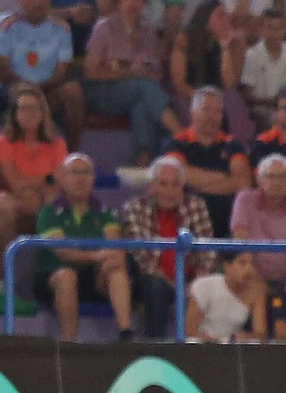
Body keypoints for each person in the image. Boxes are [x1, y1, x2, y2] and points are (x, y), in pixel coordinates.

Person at [37, 152, 135, 340]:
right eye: (74, 173)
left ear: (93, 178)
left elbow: (113, 246)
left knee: (116, 267)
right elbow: (63, 252)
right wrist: (97, 256)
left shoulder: (105, 212)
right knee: (67, 276)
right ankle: (69, 344)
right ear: (62, 178)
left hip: (94, 275)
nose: (80, 178)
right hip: (53, 276)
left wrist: (106, 258)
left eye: (86, 173)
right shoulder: (49, 212)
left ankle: (125, 332)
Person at [120, 155, 216, 338]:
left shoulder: (196, 205)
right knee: (157, 287)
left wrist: (197, 281)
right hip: (152, 276)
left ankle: (195, 352)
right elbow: (142, 256)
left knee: (203, 289)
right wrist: (173, 284)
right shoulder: (135, 207)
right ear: (151, 186)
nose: (170, 191)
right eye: (163, 184)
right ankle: (157, 347)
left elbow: (208, 249)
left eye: (175, 185)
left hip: (190, 277)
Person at [84, 0, 183, 165]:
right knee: (142, 87)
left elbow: (156, 72)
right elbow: (91, 72)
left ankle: (143, 159)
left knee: (142, 103)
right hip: (104, 92)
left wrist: (149, 73)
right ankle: (181, 137)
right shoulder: (104, 27)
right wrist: (129, 72)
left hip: (139, 92)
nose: (133, 4)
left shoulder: (148, 31)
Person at [163, 88, 250, 240]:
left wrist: (199, 187)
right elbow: (178, 175)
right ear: (192, 113)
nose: (212, 116)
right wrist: (224, 177)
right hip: (186, 219)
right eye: (206, 110)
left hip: (227, 218)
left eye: (217, 111)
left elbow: (243, 183)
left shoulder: (233, 146)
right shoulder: (176, 143)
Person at [0, 0, 85, 149]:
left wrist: (38, 88)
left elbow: (61, 71)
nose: (37, 3)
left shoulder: (62, 28)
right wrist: (29, 88)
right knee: (21, 92)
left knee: (73, 90)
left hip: (47, 90)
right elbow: (4, 69)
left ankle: (71, 154)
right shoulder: (6, 24)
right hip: (13, 89)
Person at [231, 152, 286, 287]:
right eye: (270, 176)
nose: (276, 182)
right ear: (259, 180)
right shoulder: (245, 200)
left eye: (283, 177)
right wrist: (259, 283)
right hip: (250, 277)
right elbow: (241, 245)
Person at [0, 85, 69, 250]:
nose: (29, 113)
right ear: (15, 114)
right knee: (3, 204)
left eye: (34, 108)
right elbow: (15, 184)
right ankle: (5, 269)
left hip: (45, 196)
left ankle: (51, 266)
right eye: (23, 108)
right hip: (13, 198)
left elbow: (59, 181)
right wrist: (45, 178)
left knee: (54, 200)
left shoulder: (57, 144)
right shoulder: (5, 142)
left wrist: (37, 186)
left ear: (43, 113)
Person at [241, 8, 286, 130]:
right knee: (275, 119)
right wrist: (271, 102)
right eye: (269, 28)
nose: (274, 33)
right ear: (261, 29)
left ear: (285, 30)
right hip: (262, 109)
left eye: (279, 28)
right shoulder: (252, 54)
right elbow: (247, 94)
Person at [186, 249, 266, 341]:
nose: (249, 269)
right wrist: (212, 340)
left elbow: (261, 335)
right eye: (242, 263)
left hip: (233, 348)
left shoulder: (256, 291)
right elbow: (190, 333)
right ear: (227, 266)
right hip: (203, 346)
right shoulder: (204, 286)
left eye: (252, 264)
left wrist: (243, 337)